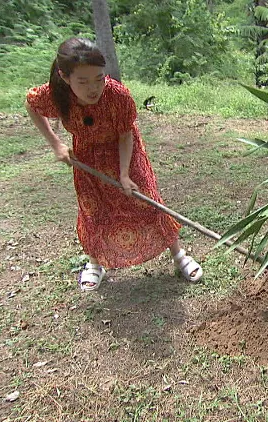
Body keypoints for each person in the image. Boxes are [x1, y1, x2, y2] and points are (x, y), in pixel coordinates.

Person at [25, 37, 202, 291]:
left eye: (98, 78)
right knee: (93, 209)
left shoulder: (117, 95)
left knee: (148, 201)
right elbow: (31, 104)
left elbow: (125, 134)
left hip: (124, 152)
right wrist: (56, 145)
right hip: (86, 155)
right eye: (83, 81)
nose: (93, 88)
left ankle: (179, 255)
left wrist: (124, 173)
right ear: (65, 77)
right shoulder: (56, 93)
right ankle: (95, 264)